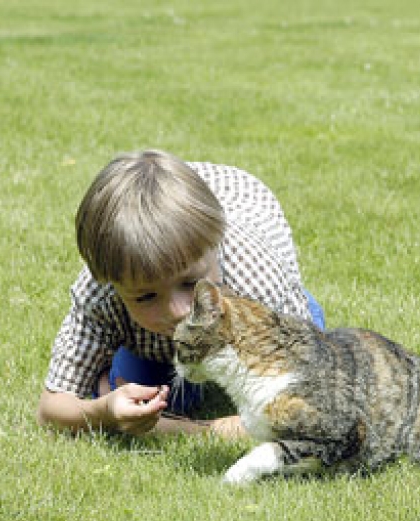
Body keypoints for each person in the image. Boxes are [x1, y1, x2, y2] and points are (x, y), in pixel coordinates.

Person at [36, 149, 325, 437]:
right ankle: (114, 375)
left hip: (255, 296)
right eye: (145, 297)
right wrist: (104, 411)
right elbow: (50, 409)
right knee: (154, 395)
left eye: (190, 283)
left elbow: (308, 406)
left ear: (216, 248)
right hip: (154, 341)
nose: (177, 311)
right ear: (113, 285)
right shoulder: (100, 293)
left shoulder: (257, 282)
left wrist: (188, 430)